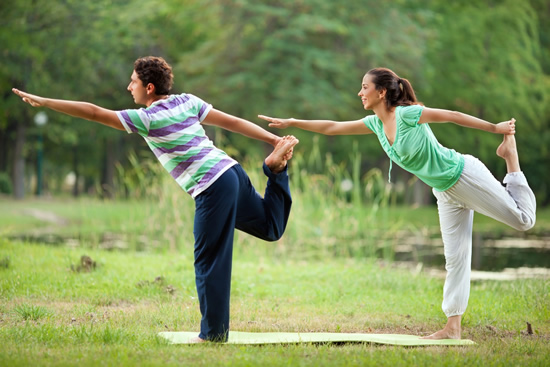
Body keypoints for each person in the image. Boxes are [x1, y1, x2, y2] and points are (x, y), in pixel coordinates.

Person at [13, 56, 299, 343]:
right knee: (269, 227)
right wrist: (274, 142)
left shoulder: (146, 119)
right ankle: (276, 170)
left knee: (209, 260)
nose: (129, 87)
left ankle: (212, 335)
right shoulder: (187, 101)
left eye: (133, 82)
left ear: (149, 87)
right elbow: (233, 122)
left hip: (212, 186)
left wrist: (47, 102)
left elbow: (92, 112)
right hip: (232, 173)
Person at [258, 67, 536, 340]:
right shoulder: (376, 124)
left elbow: (451, 116)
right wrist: (292, 121)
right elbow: (332, 127)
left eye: (364, 87)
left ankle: (510, 156)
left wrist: (494, 128)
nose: (360, 93)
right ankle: (453, 328)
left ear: (381, 92)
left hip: (462, 175)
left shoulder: (408, 114)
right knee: (456, 259)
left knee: (524, 221)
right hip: (444, 191)